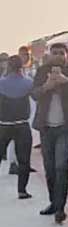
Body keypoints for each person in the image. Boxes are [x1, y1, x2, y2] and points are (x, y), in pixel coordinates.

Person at [32, 44, 68, 224]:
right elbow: (34, 94)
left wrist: (67, 82)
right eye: (54, 53)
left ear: (66, 56)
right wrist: (47, 86)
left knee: (61, 167)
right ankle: (53, 203)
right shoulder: (42, 72)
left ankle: (60, 209)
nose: (57, 56)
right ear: (49, 55)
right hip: (46, 127)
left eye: (61, 53)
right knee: (49, 168)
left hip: (65, 127)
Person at [0, 56, 33, 198]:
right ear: (21, 66)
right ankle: (22, 191)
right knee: (24, 160)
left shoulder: (1, 83)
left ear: (8, 66)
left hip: (3, 125)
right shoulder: (28, 82)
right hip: (22, 125)